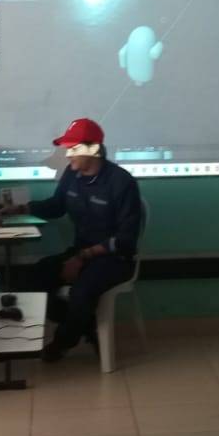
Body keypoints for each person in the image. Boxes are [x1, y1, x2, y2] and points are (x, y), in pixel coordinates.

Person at [27, 118, 145, 362]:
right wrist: (19, 208)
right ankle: (87, 325)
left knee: (82, 292)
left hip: (115, 259)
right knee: (32, 279)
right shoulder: (72, 174)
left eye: (74, 148)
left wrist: (82, 258)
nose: (68, 154)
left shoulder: (121, 182)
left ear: (94, 149)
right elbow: (56, 206)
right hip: (80, 251)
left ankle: (63, 342)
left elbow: (126, 240)